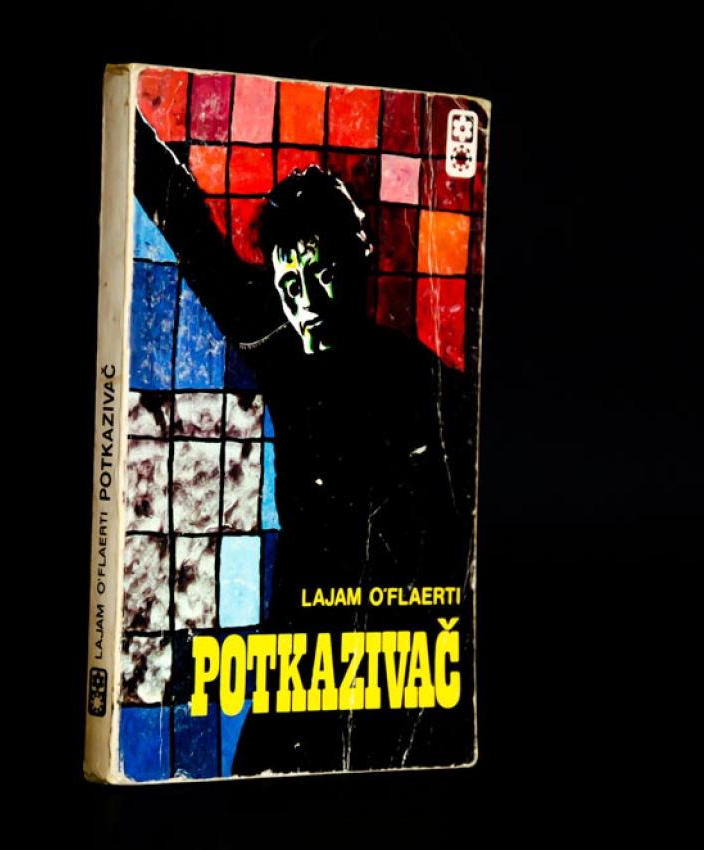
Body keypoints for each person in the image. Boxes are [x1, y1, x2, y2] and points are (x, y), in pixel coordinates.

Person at [134, 112, 476, 773]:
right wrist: (126, 130)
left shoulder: (428, 385)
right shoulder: (280, 347)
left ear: (356, 259)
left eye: (321, 275)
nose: (307, 301)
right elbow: (188, 226)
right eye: (290, 286)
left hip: (400, 653)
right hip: (300, 653)